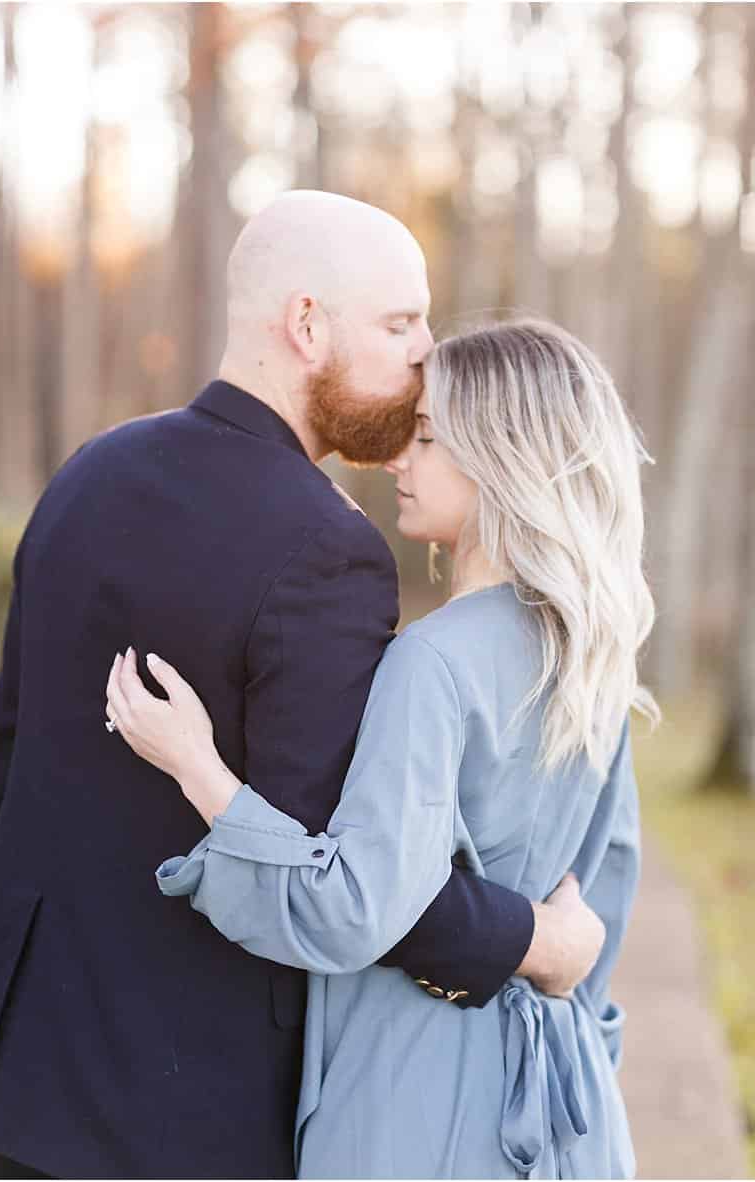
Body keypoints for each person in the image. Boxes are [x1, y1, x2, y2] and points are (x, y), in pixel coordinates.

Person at [0, 193, 604, 1180]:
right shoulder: (328, 551)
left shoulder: (89, 472)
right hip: (188, 1111)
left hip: (9, 1069)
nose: (423, 352)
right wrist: (536, 942)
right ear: (309, 326)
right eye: (400, 324)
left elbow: (6, 768)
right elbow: (350, 870)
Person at [106, 319, 653, 1177]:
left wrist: (200, 771)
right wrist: (590, 1057)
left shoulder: (430, 662)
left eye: (429, 436)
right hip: (570, 1111)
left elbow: (355, 908)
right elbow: (602, 916)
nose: (399, 457)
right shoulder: (594, 656)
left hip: (419, 1108)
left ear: (503, 458)